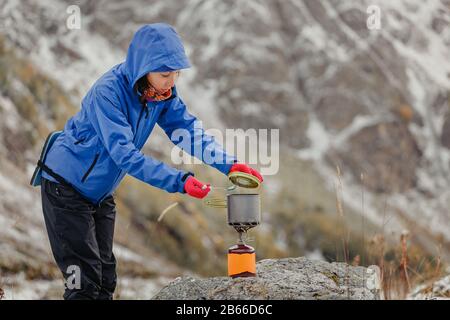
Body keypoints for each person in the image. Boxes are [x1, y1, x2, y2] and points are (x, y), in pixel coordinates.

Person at [38, 23, 263, 300]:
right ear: (144, 68)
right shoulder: (108, 93)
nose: (172, 81)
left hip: (99, 193)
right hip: (65, 189)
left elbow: (188, 133)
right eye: (165, 74)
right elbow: (126, 156)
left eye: (176, 73)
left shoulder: (161, 95)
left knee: (106, 278)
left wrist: (229, 165)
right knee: (82, 282)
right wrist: (180, 181)